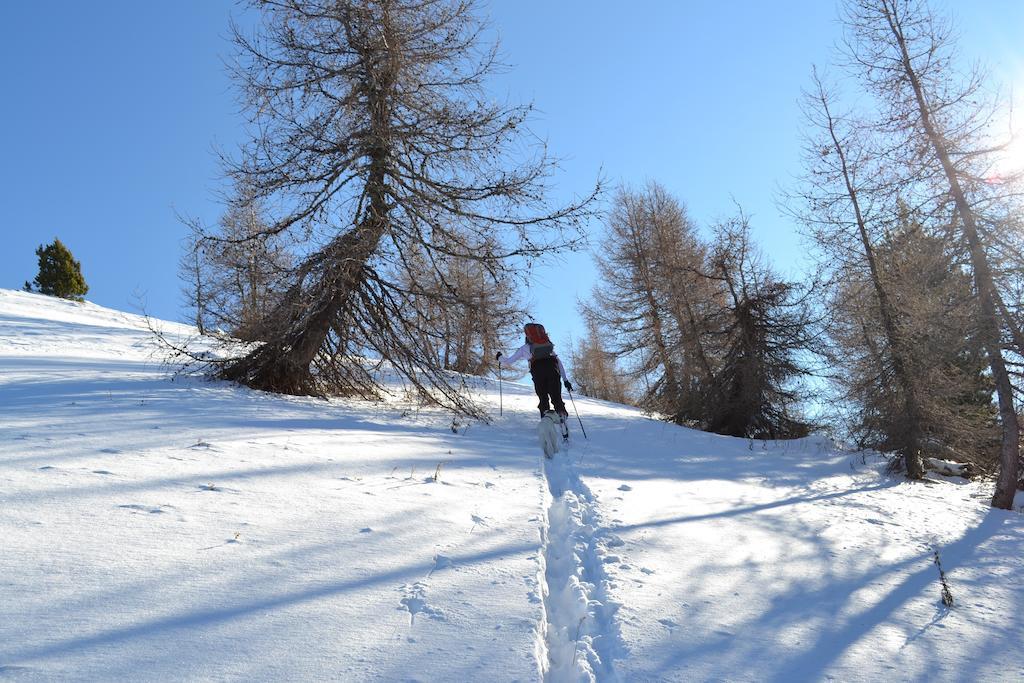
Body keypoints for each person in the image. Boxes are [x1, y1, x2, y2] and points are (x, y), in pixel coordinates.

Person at [496, 322, 573, 419]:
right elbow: (559, 362)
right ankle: (561, 414)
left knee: (543, 398)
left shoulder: (524, 348)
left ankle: (546, 417)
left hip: (537, 371)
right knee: (556, 397)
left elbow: (508, 362)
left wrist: (500, 357)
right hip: (552, 368)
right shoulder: (547, 347)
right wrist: (565, 380)